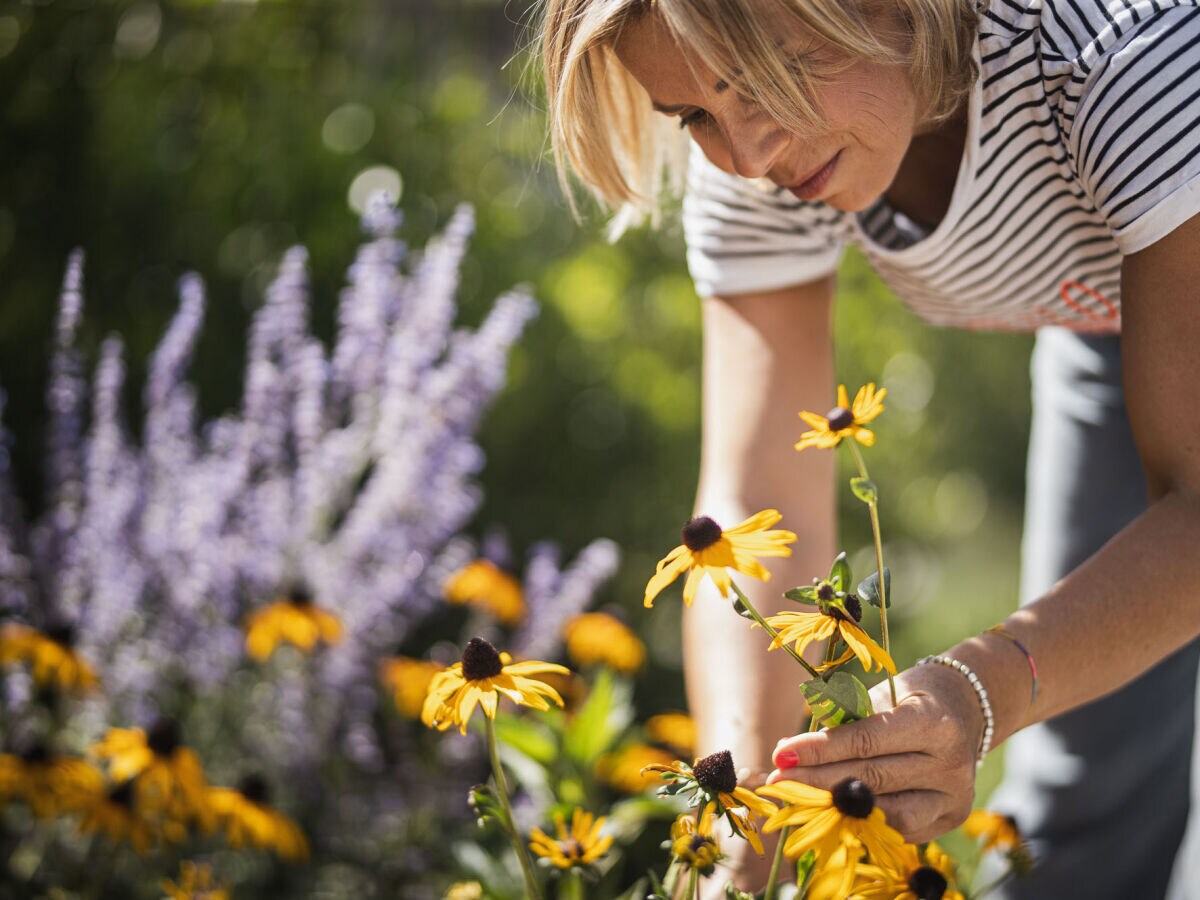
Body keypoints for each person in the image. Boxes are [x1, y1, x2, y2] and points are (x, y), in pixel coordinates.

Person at [538, 0, 1200, 897]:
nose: (745, 158)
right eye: (692, 114)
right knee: (1079, 801)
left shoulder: (1124, 56)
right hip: (1117, 319)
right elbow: (753, 514)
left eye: (772, 77)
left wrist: (981, 688)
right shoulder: (764, 153)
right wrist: (748, 824)